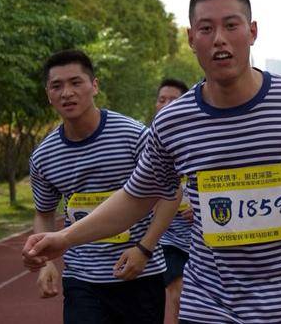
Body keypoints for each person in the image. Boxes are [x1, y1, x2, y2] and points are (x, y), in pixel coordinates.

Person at [23, 0, 281, 323]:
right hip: (208, 308)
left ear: (252, 32)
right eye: (206, 29)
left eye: (231, 25)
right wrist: (64, 239)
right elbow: (135, 198)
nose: (219, 38)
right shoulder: (174, 122)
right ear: (191, 38)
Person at [29, 50, 180, 324]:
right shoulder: (43, 156)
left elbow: (170, 193)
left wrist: (144, 249)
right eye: (57, 86)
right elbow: (43, 212)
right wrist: (47, 262)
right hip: (81, 279)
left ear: (94, 86)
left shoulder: (135, 136)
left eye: (76, 83)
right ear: (48, 95)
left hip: (139, 273)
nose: (67, 93)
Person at [154, 78, 192, 324]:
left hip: (205, 240)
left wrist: (199, 208)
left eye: (173, 100)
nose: (166, 104)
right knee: (179, 298)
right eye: (161, 100)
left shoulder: (202, 138)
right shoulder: (151, 142)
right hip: (170, 240)